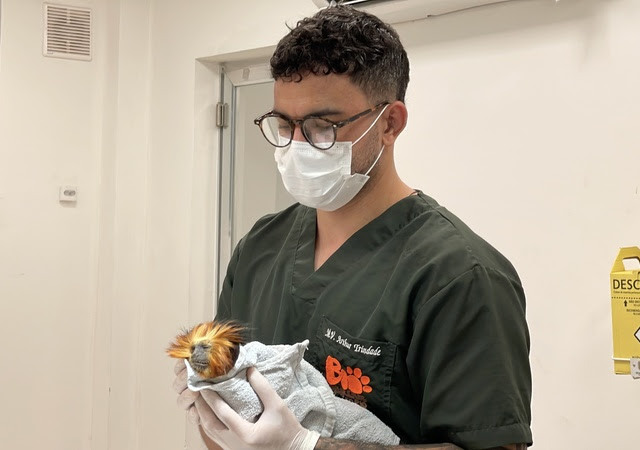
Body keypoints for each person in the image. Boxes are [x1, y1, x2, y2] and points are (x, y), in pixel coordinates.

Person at [173, 4, 532, 449]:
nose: (297, 145)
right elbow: (229, 419)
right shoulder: (261, 248)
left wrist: (307, 446)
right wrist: (211, 403)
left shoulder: (458, 276)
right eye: (284, 124)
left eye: (322, 126)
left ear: (389, 123)